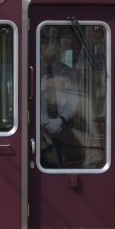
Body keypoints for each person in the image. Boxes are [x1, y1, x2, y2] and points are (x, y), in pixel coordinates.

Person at [38, 29, 84, 167]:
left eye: (52, 43)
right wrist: (45, 121)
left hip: (64, 127)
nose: (48, 47)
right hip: (38, 128)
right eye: (44, 43)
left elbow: (73, 100)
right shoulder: (34, 69)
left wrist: (60, 120)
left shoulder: (68, 72)